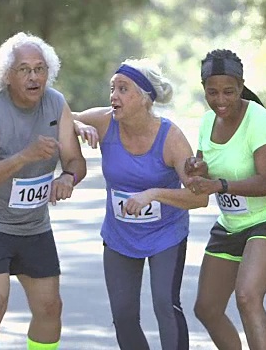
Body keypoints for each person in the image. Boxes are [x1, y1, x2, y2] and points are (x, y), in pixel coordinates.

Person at [0, 32, 87, 350]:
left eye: (40, 68)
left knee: (49, 308)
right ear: (7, 76)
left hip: (33, 224)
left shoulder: (56, 104)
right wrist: (23, 157)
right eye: (24, 70)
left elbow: (74, 159)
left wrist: (68, 177)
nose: (34, 77)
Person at [72, 58, 209, 350]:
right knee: (123, 315)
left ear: (145, 98)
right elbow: (56, 118)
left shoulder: (171, 137)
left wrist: (154, 194)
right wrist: (76, 124)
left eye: (123, 89)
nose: (113, 96)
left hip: (166, 235)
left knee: (164, 303)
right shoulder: (105, 121)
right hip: (120, 236)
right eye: (112, 89)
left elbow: (200, 197)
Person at [184, 49, 266, 350]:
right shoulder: (208, 122)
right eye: (212, 92)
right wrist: (195, 169)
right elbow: (203, 165)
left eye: (228, 92)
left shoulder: (257, 118)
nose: (220, 100)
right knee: (206, 308)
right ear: (204, 89)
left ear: (241, 85)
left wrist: (218, 184)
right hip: (231, 224)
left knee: (247, 296)